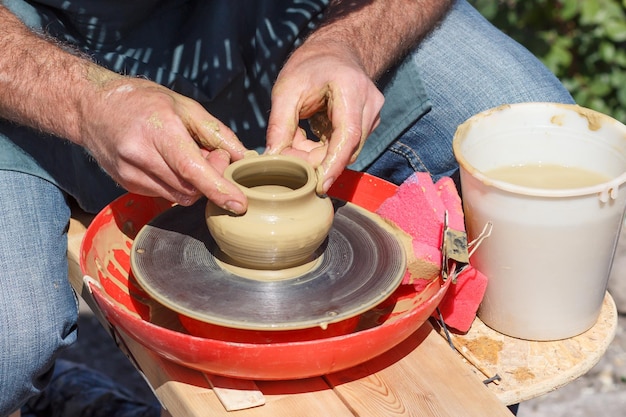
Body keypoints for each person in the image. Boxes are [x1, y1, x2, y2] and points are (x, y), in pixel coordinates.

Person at [0, 0, 573, 415]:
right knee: (8, 345)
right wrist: (82, 102)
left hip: (296, 17)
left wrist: (347, 43)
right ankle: (68, 396)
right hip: (45, 45)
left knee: (547, 177)